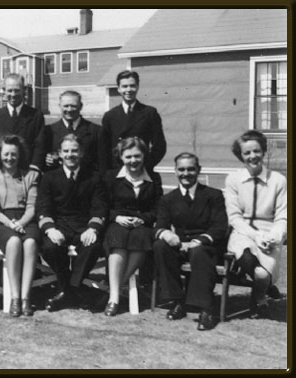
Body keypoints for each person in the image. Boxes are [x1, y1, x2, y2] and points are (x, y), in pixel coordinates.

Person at [153, 152, 228, 331]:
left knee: (200, 252)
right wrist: (166, 234)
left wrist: (200, 240)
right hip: (180, 246)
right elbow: (159, 226)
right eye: (181, 169)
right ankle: (177, 301)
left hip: (205, 246)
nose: (186, 173)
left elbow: (220, 226)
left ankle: (205, 309)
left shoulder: (213, 195)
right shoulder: (168, 199)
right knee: (160, 245)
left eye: (190, 169)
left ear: (198, 170)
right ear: (175, 171)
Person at [36, 134, 107, 312]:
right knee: (50, 248)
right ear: (59, 154)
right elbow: (43, 207)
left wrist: (92, 228)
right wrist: (50, 229)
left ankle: (68, 290)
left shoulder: (94, 177)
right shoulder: (49, 177)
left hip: (83, 226)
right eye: (66, 151)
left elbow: (99, 208)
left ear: (81, 153)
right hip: (59, 225)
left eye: (74, 150)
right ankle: (75, 290)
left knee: (93, 246)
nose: (70, 155)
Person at [224, 130, 287, 319]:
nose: (252, 156)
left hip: (270, 233)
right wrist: (256, 236)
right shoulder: (233, 179)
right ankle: (263, 295)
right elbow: (235, 218)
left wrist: (274, 236)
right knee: (247, 257)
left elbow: (283, 216)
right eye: (247, 153)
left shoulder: (278, 181)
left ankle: (260, 292)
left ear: (264, 151)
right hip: (242, 232)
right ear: (241, 156)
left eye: (256, 151)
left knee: (261, 274)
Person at [102, 137, 163, 316]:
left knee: (142, 237)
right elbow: (102, 205)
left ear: (144, 156)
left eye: (137, 156)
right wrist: (117, 217)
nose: (133, 161)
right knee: (117, 238)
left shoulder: (154, 177)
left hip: (141, 225)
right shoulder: (111, 176)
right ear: (121, 157)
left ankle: (114, 290)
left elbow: (158, 208)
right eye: (128, 156)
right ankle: (114, 297)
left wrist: (143, 219)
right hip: (117, 222)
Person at [0, 135, 40, 317]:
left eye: (14, 154)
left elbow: (32, 206)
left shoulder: (30, 175)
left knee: (31, 243)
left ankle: (26, 297)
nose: (10, 158)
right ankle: (15, 297)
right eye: (6, 154)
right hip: (1, 221)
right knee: (14, 241)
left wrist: (22, 222)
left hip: (26, 219)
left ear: (20, 155)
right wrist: (10, 224)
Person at [99, 70, 166, 174]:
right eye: (124, 86)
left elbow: (160, 145)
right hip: (118, 172)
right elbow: (103, 150)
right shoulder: (110, 116)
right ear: (118, 89)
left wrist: (145, 165)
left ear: (138, 87)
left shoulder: (149, 113)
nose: (128, 90)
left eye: (132, 86)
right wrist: (109, 173)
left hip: (142, 170)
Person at [0, 73, 46, 172]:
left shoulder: (35, 115)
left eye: (17, 90)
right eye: (10, 90)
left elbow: (40, 146)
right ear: (4, 91)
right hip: (1, 171)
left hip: (26, 171)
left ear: (24, 90)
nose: (13, 94)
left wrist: (34, 168)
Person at [44, 90, 100, 172]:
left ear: (80, 106)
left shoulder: (95, 130)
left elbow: (102, 162)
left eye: (73, 106)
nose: (69, 110)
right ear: (60, 106)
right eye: (66, 106)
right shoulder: (49, 131)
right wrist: (48, 159)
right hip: (58, 181)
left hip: (87, 180)